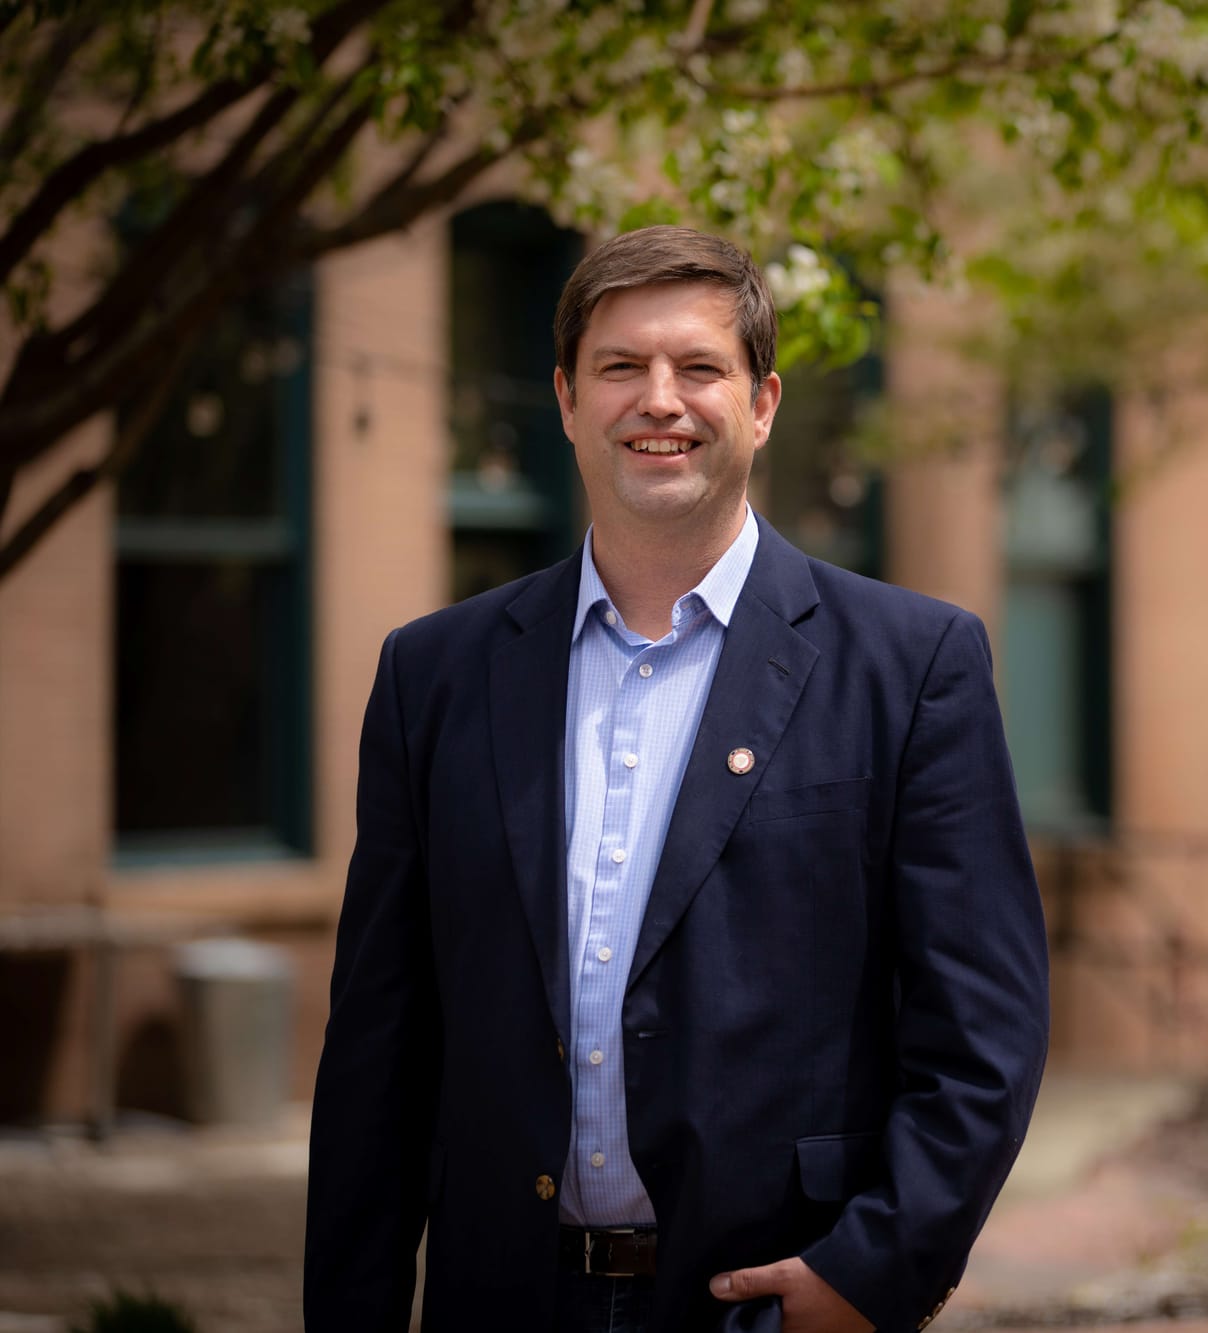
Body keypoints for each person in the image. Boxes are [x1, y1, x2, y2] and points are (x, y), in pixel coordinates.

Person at [304, 226, 1050, 1333]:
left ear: (761, 404)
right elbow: (379, 1047)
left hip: (763, 1304)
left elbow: (983, 1030)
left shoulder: (910, 664)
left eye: (699, 368)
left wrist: (872, 1269)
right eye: (619, 368)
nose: (660, 400)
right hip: (501, 1298)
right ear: (565, 400)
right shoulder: (437, 676)